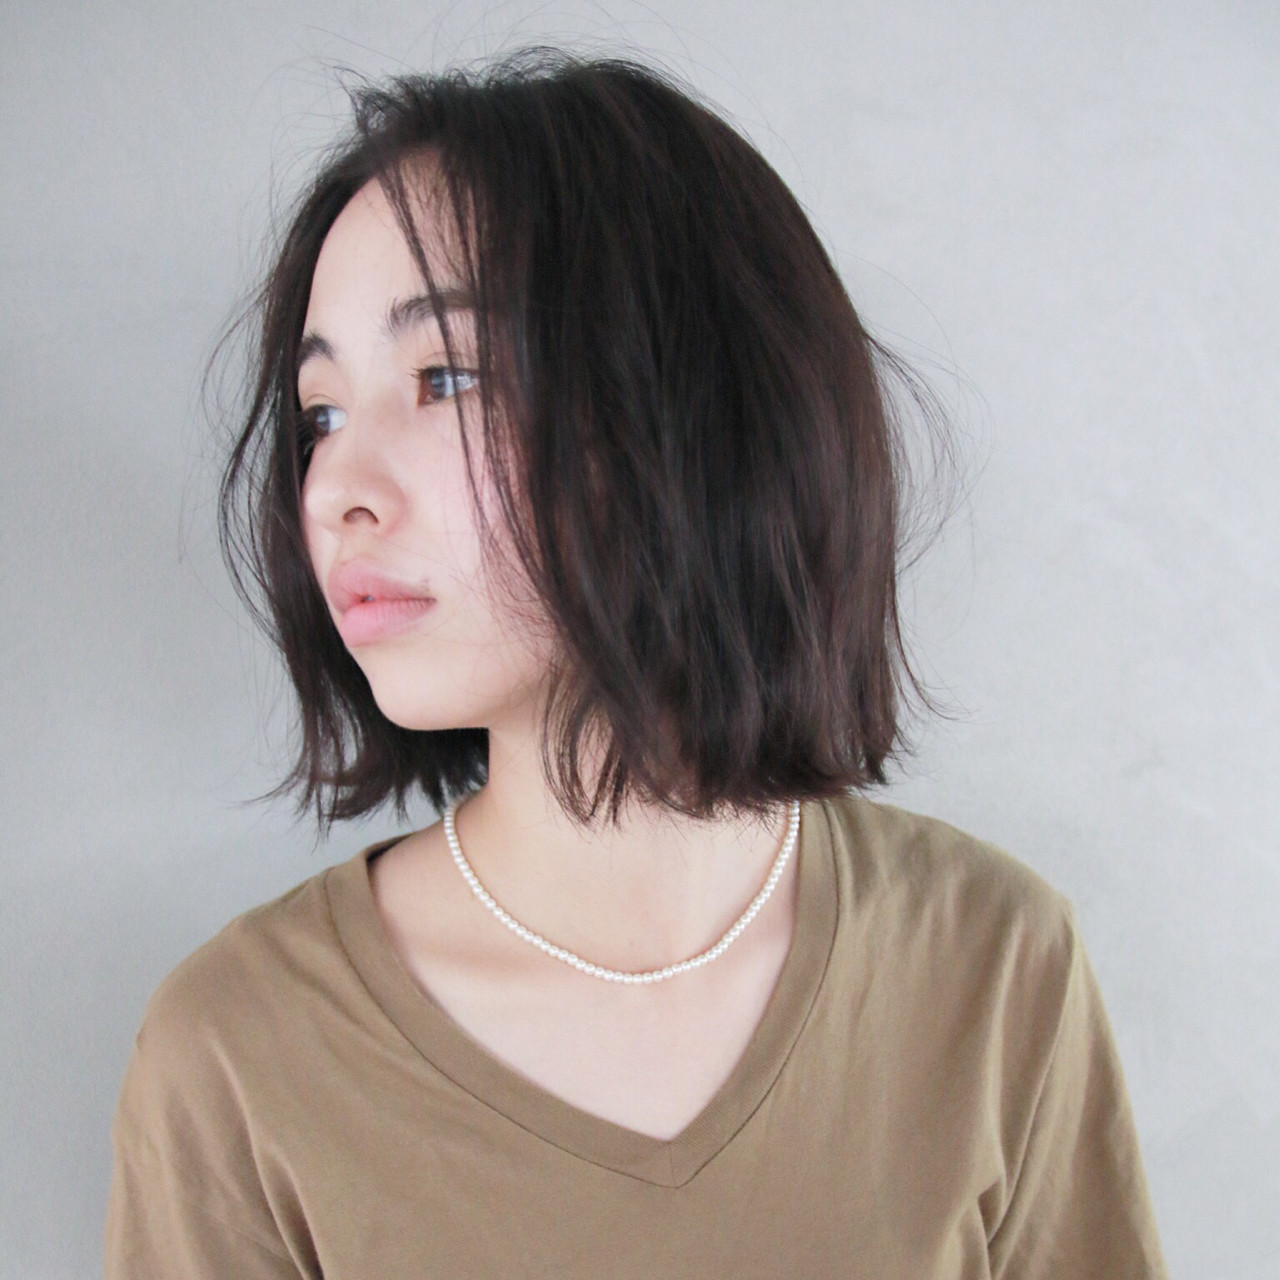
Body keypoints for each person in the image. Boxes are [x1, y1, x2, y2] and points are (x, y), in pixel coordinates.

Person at [104, 47, 1170, 1278]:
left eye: (442, 377)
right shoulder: (238, 1055)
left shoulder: (991, 968)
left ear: (683, 407)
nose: (335, 485)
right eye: (320, 415)